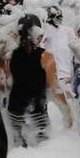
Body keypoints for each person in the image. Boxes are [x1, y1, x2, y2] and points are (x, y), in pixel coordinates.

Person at [6, 14, 71, 147]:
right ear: (39, 33)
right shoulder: (46, 56)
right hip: (37, 115)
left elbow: (9, 85)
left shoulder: (11, 55)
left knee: (18, 153)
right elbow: (55, 87)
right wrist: (67, 112)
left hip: (14, 112)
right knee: (39, 157)